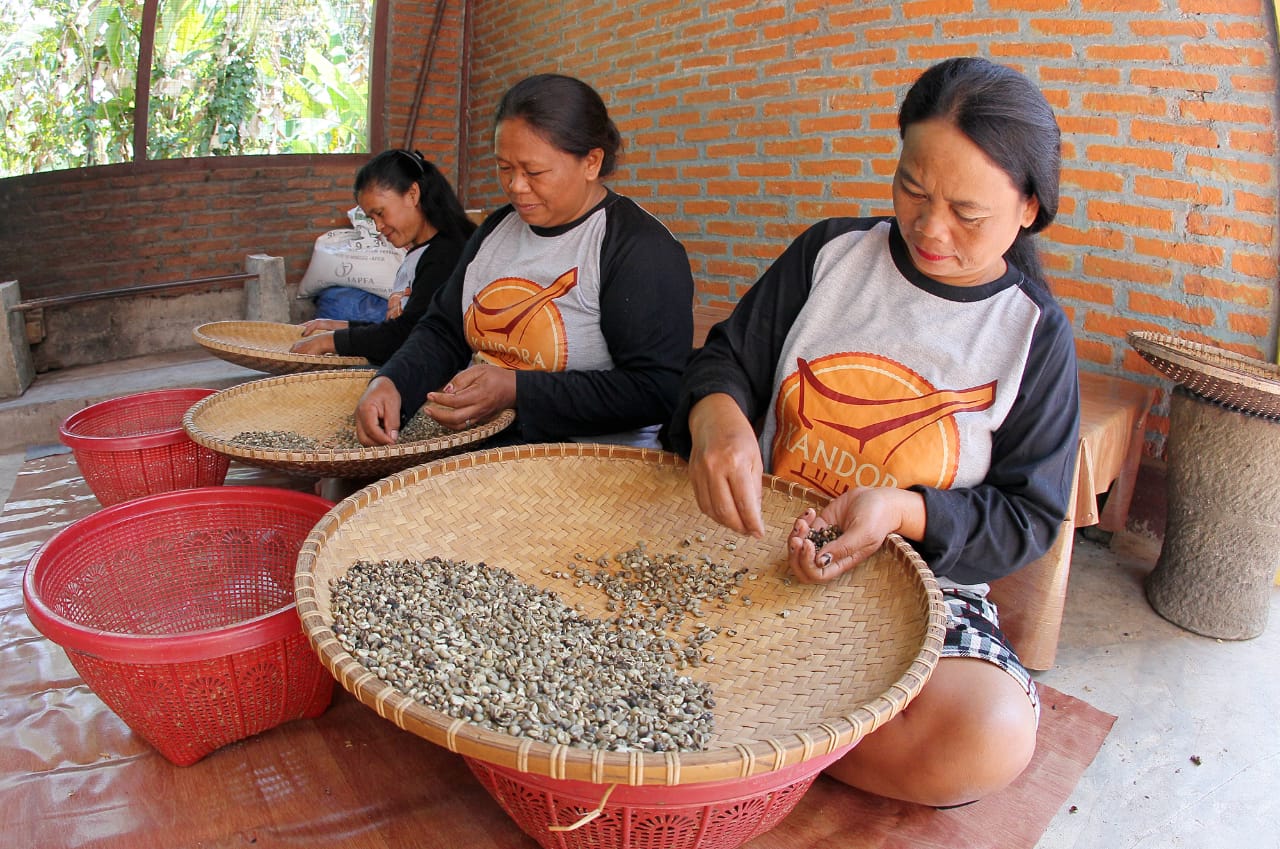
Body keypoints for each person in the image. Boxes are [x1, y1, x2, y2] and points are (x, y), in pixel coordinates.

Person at [665, 57, 1080, 808]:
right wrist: (717, 416)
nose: (929, 227)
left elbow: (1031, 517)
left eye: (968, 212)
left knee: (988, 730)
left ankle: (736, 728)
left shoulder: (1032, 336)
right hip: (748, 541)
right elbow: (723, 358)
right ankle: (781, 729)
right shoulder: (832, 254)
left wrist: (902, 509)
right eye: (911, 189)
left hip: (909, 586)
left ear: (1028, 209)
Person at [354, 73, 694, 448]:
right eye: (504, 168)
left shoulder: (636, 248)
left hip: (588, 463)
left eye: (534, 172)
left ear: (591, 162)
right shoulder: (498, 228)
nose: (516, 186)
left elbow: (656, 389)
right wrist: (392, 382)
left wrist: (518, 390)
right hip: (489, 444)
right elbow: (443, 330)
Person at [291, 150, 477, 365]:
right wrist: (338, 326)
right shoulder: (421, 253)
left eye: (380, 213)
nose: (378, 226)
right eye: (372, 218)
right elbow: (405, 322)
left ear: (412, 194)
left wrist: (331, 341)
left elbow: (408, 335)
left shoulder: (446, 255)